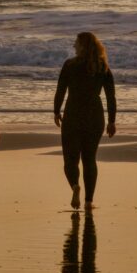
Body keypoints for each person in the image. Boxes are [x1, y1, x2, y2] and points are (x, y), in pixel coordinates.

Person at [54, 32, 116, 211]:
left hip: (73, 114)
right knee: (90, 159)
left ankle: (75, 186)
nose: (74, 46)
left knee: (70, 160)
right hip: (94, 116)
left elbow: (60, 91)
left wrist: (56, 111)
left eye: (76, 43)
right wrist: (112, 121)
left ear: (82, 46)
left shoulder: (70, 65)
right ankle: (89, 202)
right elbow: (111, 96)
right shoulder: (102, 66)